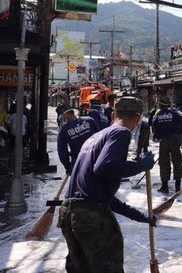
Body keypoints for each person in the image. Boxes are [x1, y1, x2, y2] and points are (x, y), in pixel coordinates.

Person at [57, 97, 157, 272]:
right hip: (90, 217)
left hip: (69, 213)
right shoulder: (121, 133)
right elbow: (105, 167)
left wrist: (137, 215)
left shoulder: (95, 137)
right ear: (137, 119)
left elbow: (98, 194)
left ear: (112, 115)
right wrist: (140, 166)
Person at [151, 97, 182, 193]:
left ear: (161, 105)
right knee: (177, 161)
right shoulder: (175, 114)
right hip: (174, 139)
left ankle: (165, 186)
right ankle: (177, 186)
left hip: (163, 141)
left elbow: (154, 128)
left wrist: (157, 137)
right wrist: (177, 133)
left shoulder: (157, 115)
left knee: (164, 163)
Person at [57, 109, 99, 175]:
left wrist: (68, 167)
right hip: (96, 158)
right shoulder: (89, 120)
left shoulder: (63, 130)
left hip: (79, 161)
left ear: (66, 115)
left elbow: (62, 151)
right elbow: (101, 137)